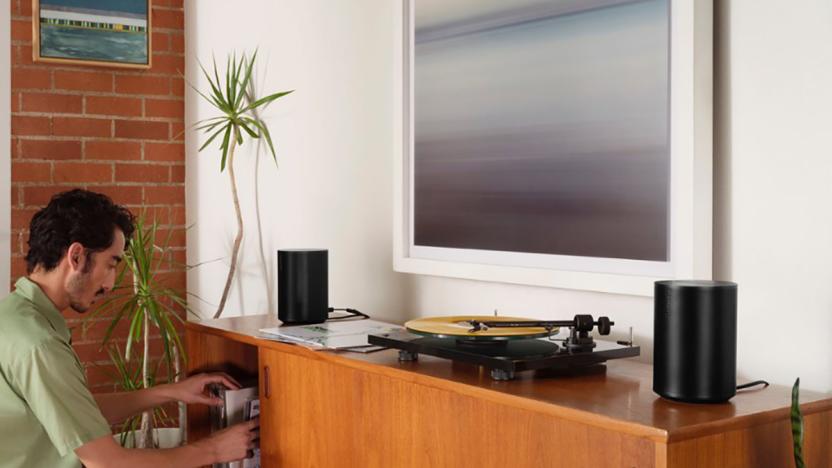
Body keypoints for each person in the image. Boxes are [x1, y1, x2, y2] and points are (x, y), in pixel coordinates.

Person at [0, 189, 257, 467]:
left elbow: (77, 416)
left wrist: (171, 392)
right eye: (111, 264)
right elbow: (109, 462)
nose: (110, 284)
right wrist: (216, 450)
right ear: (76, 257)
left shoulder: (14, 317)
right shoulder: (40, 343)